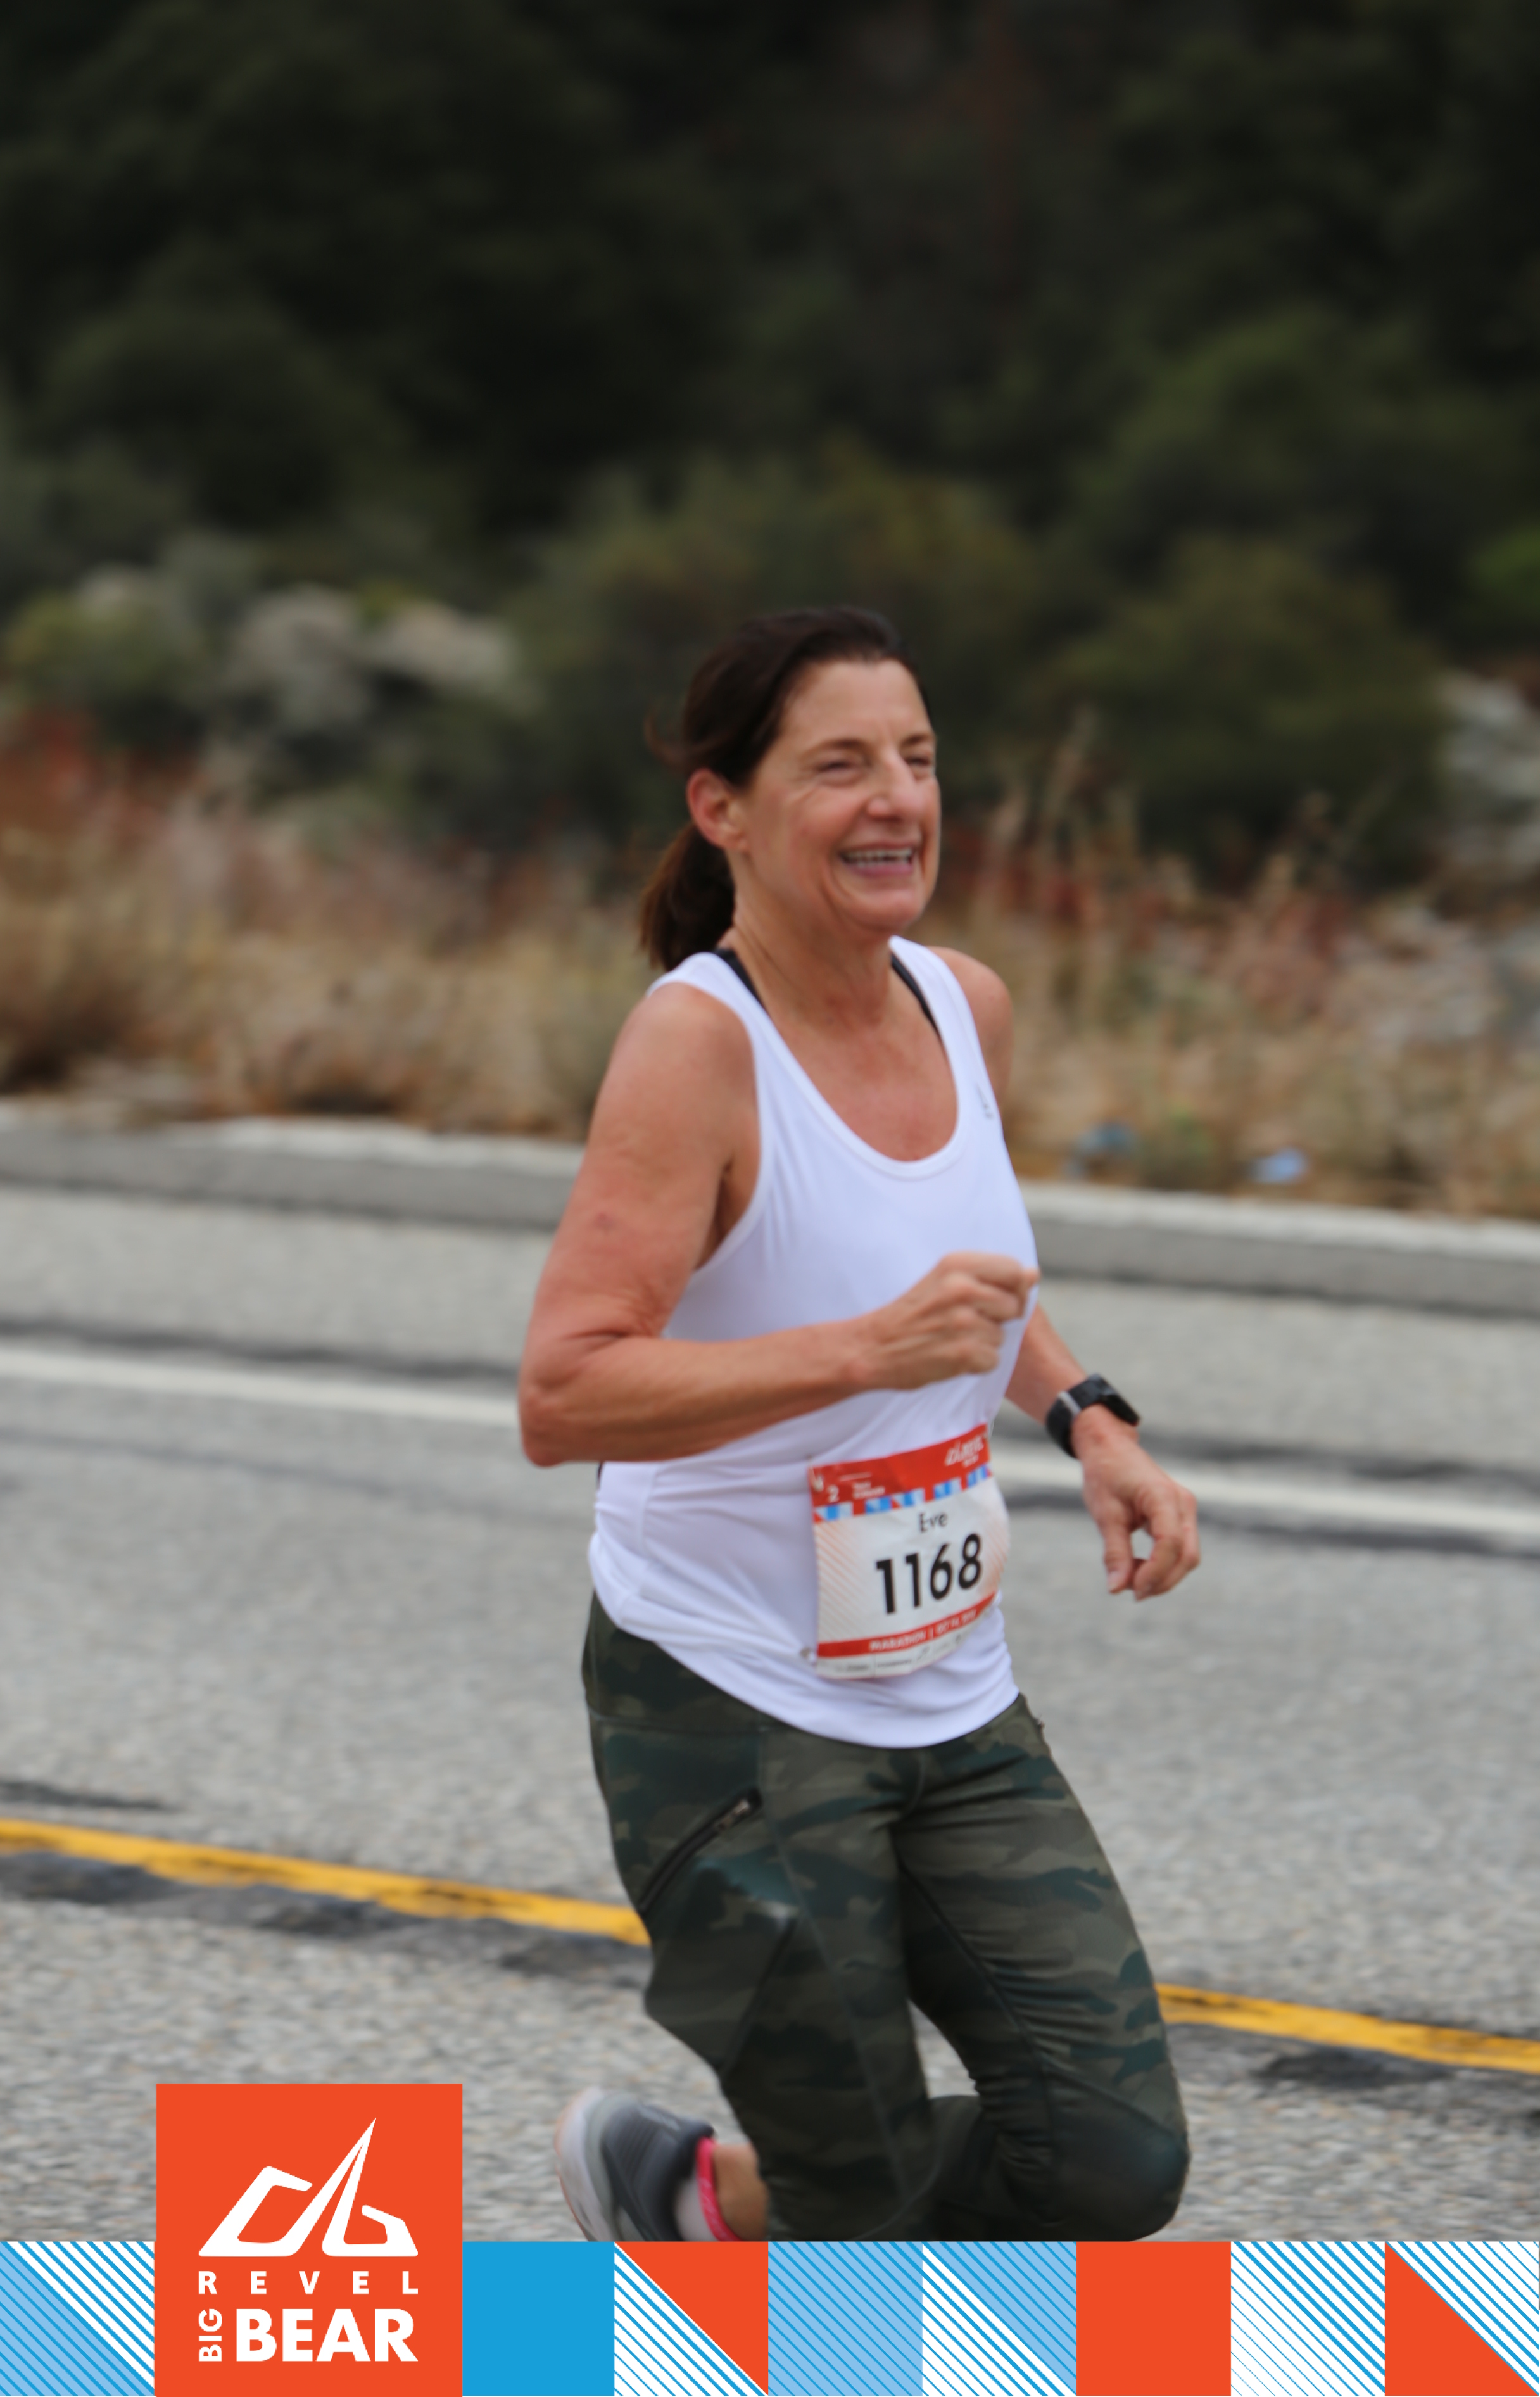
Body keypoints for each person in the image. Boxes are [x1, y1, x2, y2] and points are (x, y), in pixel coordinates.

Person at [519, 607, 1201, 2246]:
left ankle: (710, 2197)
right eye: (839, 766)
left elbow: (955, 1272)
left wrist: (1085, 1414)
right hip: (729, 1704)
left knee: (1114, 2164)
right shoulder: (698, 1046)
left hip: (949, 1693)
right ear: (725, 809)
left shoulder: (965, 1004)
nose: (896, 798)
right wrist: (860, 1355)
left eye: (918, 757)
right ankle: (770, 2211)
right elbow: (567, 1391)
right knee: (868, 2209)